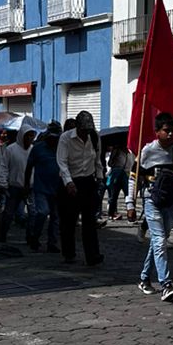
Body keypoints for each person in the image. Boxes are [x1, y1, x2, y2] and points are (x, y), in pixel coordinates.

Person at [138, 111, 173, 301]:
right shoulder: (147, 151)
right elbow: (135, 178)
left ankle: (144, 278)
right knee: (159, 241)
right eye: (167, 130)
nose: (171, 134)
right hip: (152, 199)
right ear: (157, 131)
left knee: (159, 241)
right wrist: (130, 203)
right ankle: (166, 284)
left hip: (170, 202)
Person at [56, 110, 104, 267]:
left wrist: (100, 178)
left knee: (89, 221)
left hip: (88, 181)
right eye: (83, 130)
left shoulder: (94, 137)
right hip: (70, 181)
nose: (86, 134)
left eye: (88, 130)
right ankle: (69, 253)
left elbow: (97, 160)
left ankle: (92, 255)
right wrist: (68, 182)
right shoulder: (65, 138)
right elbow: (62, 162)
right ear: (77, 127)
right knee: (68, 221)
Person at [24, 124, 62, 252]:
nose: (53, 140)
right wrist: (26, 184)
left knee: (55, 217)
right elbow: (29, 167)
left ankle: (52, 243)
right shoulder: (38, 148)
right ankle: (35, 237)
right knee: (42, 212)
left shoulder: (62, 148)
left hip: (57, 188)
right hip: (41, 188)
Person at [106, 144, 130, 220]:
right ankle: (111, 213)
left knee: (127, 194)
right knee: (114, 194)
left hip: (124, 173)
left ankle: (130, 212)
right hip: (117, 173)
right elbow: (110, 163)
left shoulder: (127, 152)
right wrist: (116, 165)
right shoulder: (117, 150)